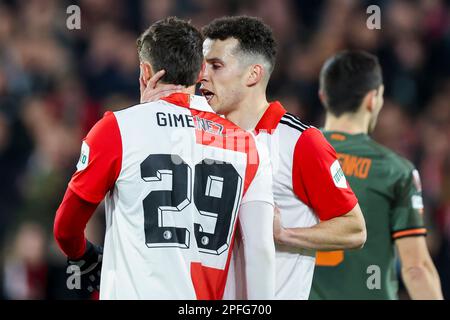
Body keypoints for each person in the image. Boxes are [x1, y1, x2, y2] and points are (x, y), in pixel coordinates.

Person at [142, 16, 366, 300]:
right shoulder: (195, 130)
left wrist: (285, 234)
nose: (202, 76)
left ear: (253, 75)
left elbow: (354, 229)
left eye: (216, 66)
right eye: (202, 65)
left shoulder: (299, 141)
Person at [53, 17, 276, 300]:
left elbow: (65, 228)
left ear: (145, 72)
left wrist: (83, 254)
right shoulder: (247, 145)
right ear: (200, 71)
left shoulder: (117, 129)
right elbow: (260, 251)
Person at [309, 50, 443, 300]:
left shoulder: (287, 154)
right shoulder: (395, 171)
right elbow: (416, 269)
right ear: (373, 99)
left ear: (323, 96)